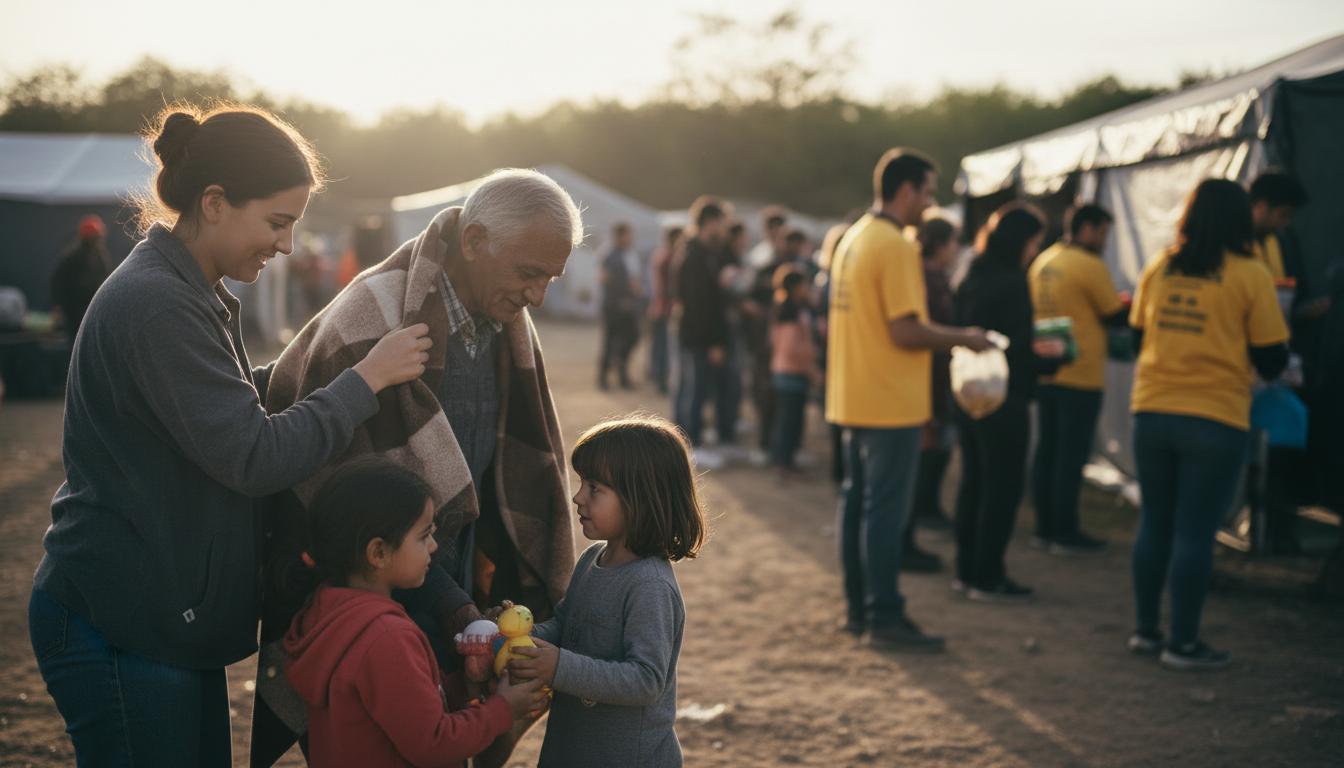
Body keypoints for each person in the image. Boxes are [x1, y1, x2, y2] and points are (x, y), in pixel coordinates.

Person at [26, 103, 432, 766]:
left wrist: (325, 360)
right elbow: (251, 454)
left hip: (154, 614)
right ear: (214, 202)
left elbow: (223, 406)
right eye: (277, 223)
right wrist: (363, 383)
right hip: (122, 620)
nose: (287, 245)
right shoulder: (159, 301)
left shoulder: (188, 288)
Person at [253, 169, 582, 766]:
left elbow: (502, 479)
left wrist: (473, 606)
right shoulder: (370, 320)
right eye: (529, 274)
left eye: (550, 279)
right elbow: (346, 511)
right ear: (476, 241)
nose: (538, 296)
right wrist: (456, 607)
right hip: (372, 601)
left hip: (448, 585)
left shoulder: (506, 322)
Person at [827, 149, 991, 650]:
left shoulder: (854, 237)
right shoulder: (896, 245)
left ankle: (861, 611)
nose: (930, 201)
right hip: (888, 400)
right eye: (927, 190)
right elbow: (905, 330)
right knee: (884, 512)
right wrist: (966, 337)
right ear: (905, 190)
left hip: (855, 394)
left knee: (858, 505)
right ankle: (885, 617)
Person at [284, 457, 547, 768]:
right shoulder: (385, 637)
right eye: (423, 536)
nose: (434, 547)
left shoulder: (328, 613)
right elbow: (433, 743)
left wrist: (466, 687)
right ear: (378, 553)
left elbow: (402, 707)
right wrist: (503, 708)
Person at [1127, 178, 1289, 671]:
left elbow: (1137, 339)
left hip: (1152, 411)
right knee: (1195, 532)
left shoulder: (1161, 267)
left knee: (1155, 521)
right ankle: (1184, 643)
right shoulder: (1250, 274)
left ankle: (1146, 632)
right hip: (1215, 418)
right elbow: (1272, 358)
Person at [506, 415, 707, 767]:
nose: (577, 496)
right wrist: (517, 639)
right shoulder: (592, 560)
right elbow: (565, 627)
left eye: (594, 487)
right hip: (572, 748)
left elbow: (646, 680)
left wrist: (559, 668)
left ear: (640, 498)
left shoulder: (649, 585)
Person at [953, 204, 1064, 604]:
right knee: (1002, 487)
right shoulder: (1013, 283)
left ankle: (966, 570)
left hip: (967, 392)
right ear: (1020, 242)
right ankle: (989, 575)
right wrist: (1051, 356)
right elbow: (1016, 349)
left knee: (974, 481)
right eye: (1034, 242)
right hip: (1005, 395)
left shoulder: (971, 274)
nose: (1034, 251)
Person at [1028, 203, 1126, 555]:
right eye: (1103, 233)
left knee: (1047, 452)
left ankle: (1043, 528)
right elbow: (1115, 316)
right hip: (1081, 374)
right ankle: (1065, 532)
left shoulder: (1043, 261)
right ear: (1087, 228)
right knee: (1070, 458)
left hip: (1047, 371)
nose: (1104, 241)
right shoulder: (1089, 265)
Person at [671, 197, 733, 466]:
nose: (724, 228)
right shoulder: (696, 255)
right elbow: (700, 305)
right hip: (697, 336)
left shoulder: (699, 251)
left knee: (690, 388)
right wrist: (715, 342)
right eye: (721, 222)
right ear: (710, 222)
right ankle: (690, 446)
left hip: (694, 334)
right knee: (693, 390)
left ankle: (689, 442)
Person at [909, 215, 960, 534]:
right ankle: (921, 510)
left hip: (935, 376)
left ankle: (926, 508)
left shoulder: (934, 275)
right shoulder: (927, 278)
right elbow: (925, 330)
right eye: (954, 242)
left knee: (939, 445)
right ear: (941, 244)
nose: (957, 249)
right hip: (930, 378)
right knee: (931, 446)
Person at [769, 267, 820, 477]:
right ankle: (784, 463)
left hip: (786, 370)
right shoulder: (791, 311)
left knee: (789, 419)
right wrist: (810, 368)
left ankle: (785, 461)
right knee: (790, 421)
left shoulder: (784, 308)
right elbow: (792, 348)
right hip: (792, 372)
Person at [49, 214, 112, 347]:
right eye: (96, 236)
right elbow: (58, 283)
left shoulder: (99, 256)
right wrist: (60, 306)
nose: (99, 239)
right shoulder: (74, 257)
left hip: (93, 310)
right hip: (76, 313)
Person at [598, 222, 643, 390]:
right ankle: (603, 379)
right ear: (619, 236)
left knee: (632, 338)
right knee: (610, 342)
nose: (630, 238)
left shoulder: (629, 254)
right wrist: (622, 297)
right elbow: (605, 280)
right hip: (614, 306)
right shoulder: (609, 255)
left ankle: (622, 373)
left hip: (629, 305)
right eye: (627, 235)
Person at [647, 226, 682, 394]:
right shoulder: (669, 258)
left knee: (659, 347)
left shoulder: (660, 255)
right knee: (664, 349)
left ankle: (657, 378)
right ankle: (661, 382)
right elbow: (668, 288)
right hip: (665, 309)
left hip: (659, 308)